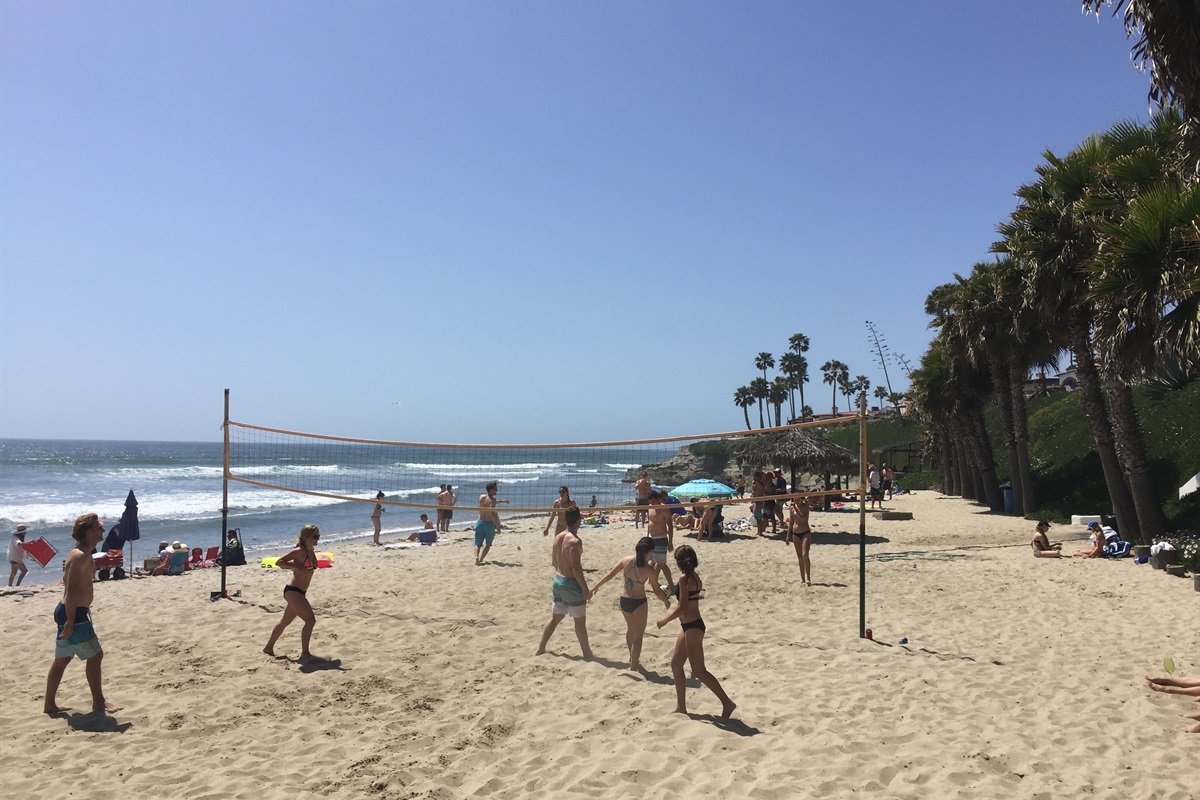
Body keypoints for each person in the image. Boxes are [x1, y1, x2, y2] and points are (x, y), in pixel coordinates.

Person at [44, 513, 120, 716]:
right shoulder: (79, 556)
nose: (103, 530)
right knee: (96, 655)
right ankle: (99, 703)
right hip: (74, 613)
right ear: (89, 533)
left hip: (71, 612)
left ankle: (49, 705)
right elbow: (71, 590)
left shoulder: (81, 553)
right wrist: (70, 621)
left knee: (62, 659)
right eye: (99, 527)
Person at [656, 545, 735, 718]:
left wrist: (665, 620)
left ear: (679, 562)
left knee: (699, 670)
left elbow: (683, 607)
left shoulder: (685, 578)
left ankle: (727, 703)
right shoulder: (694, 577)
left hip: (692, 626)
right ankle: (681, 707)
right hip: (690, 626)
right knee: (676, 664)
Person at [591, 536, 669, 670]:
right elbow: (656, 590)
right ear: (649, 551)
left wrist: (596, 586)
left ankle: (631, 657)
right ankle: (633, 666)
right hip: (639, 602)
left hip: (625, 601)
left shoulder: (626, 560)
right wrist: (665, 600)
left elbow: (610, 575)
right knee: (638, 636)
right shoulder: (649, 570)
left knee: (630, 629)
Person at [535, 507, 592, 659]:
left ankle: (541, 648)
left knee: (555, 619)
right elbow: (576, 568)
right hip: (570, 584)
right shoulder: (575, 541)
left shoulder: (558, 536)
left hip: (557, 581)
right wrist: (585, 589)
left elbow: (554, 561)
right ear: (578, 520)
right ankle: (587, 653)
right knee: (579, 622)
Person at [263, 525, 325, 664]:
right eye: (315, 537)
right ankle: (305, 654)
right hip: (293, 591)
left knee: (285, 621)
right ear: (307, 537)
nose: (318, 539)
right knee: (310, 621)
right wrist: (297, 566)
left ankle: (268, 647)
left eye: (319, 536)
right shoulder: (299, 551)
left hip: (300, 592)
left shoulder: (311, 551)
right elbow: (279, 562)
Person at [474, 481, 509, 565]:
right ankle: (481, 559)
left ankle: (476, 557)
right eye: (495, 489)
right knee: (488, 544)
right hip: (489, 524)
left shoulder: (481, 497)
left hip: (480, 522)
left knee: (477, 543)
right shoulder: (493, 500)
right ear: (491, 490)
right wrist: (498, 526)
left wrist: (502, 501)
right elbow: (492, 513)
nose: (497, 491)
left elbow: (490, 501)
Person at [647, 489, 675, 590]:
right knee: (651, 562)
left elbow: (670, 526)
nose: (651, 502)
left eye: (653, 501)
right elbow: (650, 522)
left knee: (662, 564)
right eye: (650, 501)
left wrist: (670, 542)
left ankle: (672, 586)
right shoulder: (650, 507)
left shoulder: (664, 509)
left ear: (657, 499)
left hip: (661, 538)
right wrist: (647, 536)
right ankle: (652, 581)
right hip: (651, 537)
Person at [788, 496, 813, 585]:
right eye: (795, 500)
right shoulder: (792, 508)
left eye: (798, 499)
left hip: (805, 531)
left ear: (801, 499)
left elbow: (802, 518)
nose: (797, 501)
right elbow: (791, 522)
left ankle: (808, 578)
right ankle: (802, 578)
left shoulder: (805, 506)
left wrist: (795, 508)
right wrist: (788, 536)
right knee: (799, 556)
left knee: (805, 554)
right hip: (795, 533)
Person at [750, 470, 767, 537]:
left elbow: (759, 491)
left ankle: (760, 531)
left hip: (759, 502)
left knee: (759, 517)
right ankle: (759, 531)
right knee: (756, 517)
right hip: (755, 501)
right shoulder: (756, 483)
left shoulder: (759, 484)